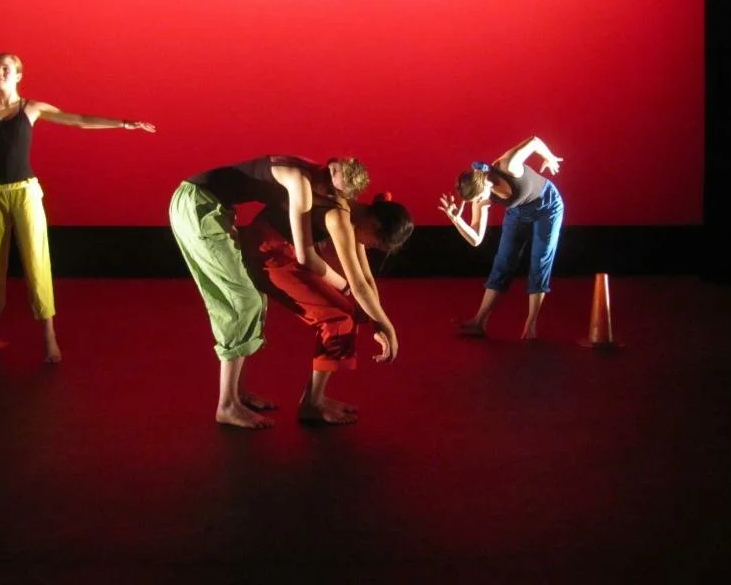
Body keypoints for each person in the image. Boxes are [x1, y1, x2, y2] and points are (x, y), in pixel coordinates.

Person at [0, 0, 156, 364]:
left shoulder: (32, 108)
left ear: (18, 75)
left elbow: (78, 120)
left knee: (36, 262)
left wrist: (124, 124)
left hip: (26, 193)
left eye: (5, 68)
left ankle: (49, 340)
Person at [168, 155, 370, 429]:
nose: (325, 189)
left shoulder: (310, 177)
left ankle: (237, 395)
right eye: (328, 177)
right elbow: (306, 256)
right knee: (243, 302)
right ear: (329, 166)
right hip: (198, 204)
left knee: (253, 297)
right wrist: (346, 286)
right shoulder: (301, 180)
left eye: (333, 190)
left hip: (207, 205)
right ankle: (226, 405)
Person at [240, 190, 413, 426]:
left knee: (348, 313)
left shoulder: (359, 218)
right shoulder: (340, 216)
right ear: (373, 223)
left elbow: (366, 278)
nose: (369, 246)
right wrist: (389, 327)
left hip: (287, 249)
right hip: (268, 249)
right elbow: (357, 284)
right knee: (337, 317)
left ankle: (315, 398)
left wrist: (377, 322)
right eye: (373, 242)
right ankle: (312, 404)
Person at [439, 135, 564, 341]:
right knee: (503, 261)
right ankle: (480, 321)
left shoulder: (508, 165)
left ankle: (531, 323)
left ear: (486, 183)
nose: (478, 203)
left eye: (479, 198)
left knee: (540, 261)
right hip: (518, 212)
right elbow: (476, 239)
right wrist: (456, 220)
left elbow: (533, 141)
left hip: (547, 207)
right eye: (475, 201)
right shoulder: (479, 199)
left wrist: (549, 157)